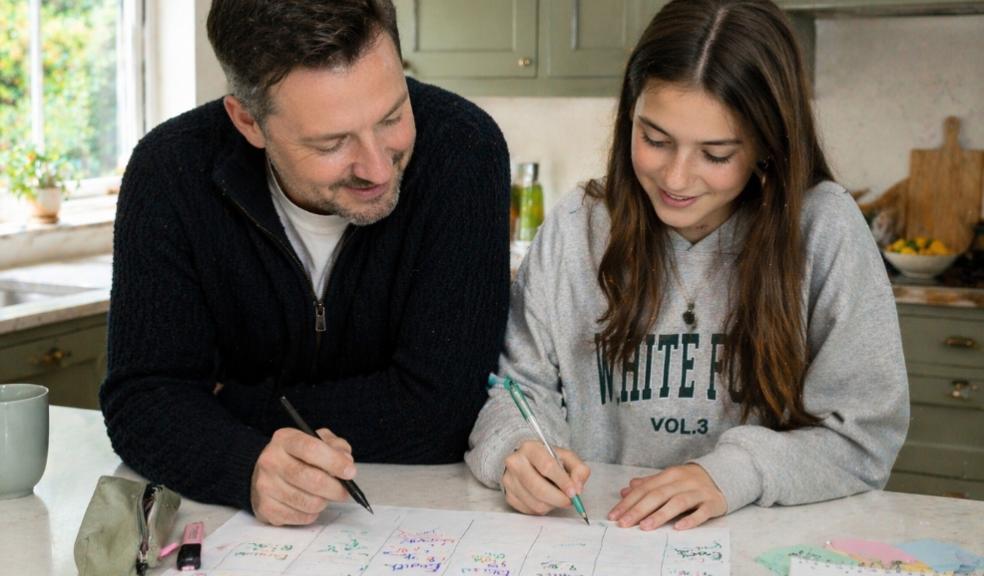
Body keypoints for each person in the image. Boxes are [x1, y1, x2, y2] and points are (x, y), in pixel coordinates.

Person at [466, 0, 908, 531]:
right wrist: (517, 449)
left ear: (769, 144)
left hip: (761, 541)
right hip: (596, 537)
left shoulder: (823, 227)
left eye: (716, 154)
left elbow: (863, 439)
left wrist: (733, 473)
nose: (676, 179)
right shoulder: (575, 227)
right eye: (654, 139)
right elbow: (516, 391)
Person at [101, 0, 511, 526]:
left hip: (426, 514)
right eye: (332, 142)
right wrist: (243, 465)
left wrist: (227, 407)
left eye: (392, 117)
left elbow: (444, 414)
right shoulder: (169, 171)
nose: (376, 167)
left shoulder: (465, 150)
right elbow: (142, 399)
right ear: (248, 120)